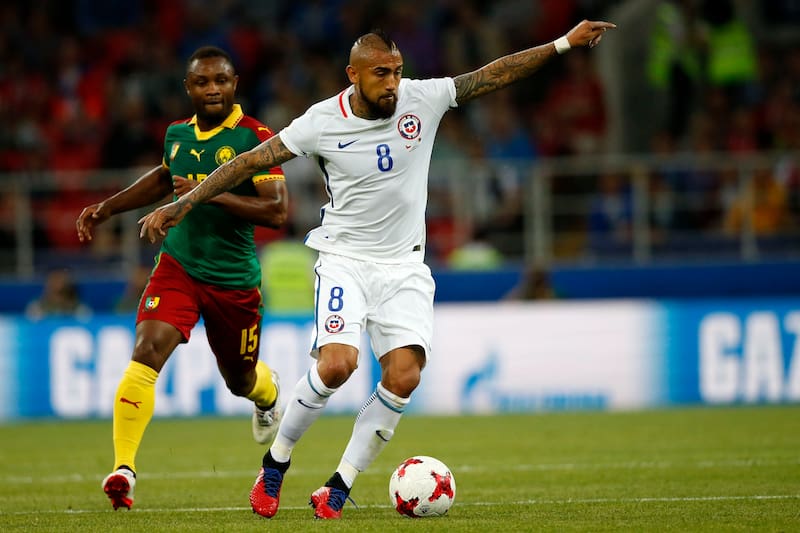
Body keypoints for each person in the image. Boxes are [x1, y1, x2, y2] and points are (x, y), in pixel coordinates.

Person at [139, 21, 615, 520]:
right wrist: (185, 202)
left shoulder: (422, 99)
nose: (392, 83)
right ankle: (275, 464)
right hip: (345, 259)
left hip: (405, 265)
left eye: (397, 71)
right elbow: (248, 162)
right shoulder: (321, 121)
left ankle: (339, 485)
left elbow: (494, 74)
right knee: (337, 366)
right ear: (354, 75)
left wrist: (563, 43)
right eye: (381, 74)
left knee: (405, 376)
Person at [75, 46, 288, 511]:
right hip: (179, 268)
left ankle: (268, 394)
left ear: (235, 85)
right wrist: (108, 207)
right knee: (146, 351)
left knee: (240, 380)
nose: (213, 89)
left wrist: (204, 194)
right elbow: (164, 176)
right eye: (203, 82)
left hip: (233, 280)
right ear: (188, 87)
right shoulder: (176, 134)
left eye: (222, 80)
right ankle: (124, 470)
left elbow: (276, 211)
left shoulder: (255, 137)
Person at [24, 268, 92, 321]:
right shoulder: (36, 307)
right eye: (53, 279)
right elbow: (30, 327)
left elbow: (88, 324)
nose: (56, 284)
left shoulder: (80, 308)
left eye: (60, 279)